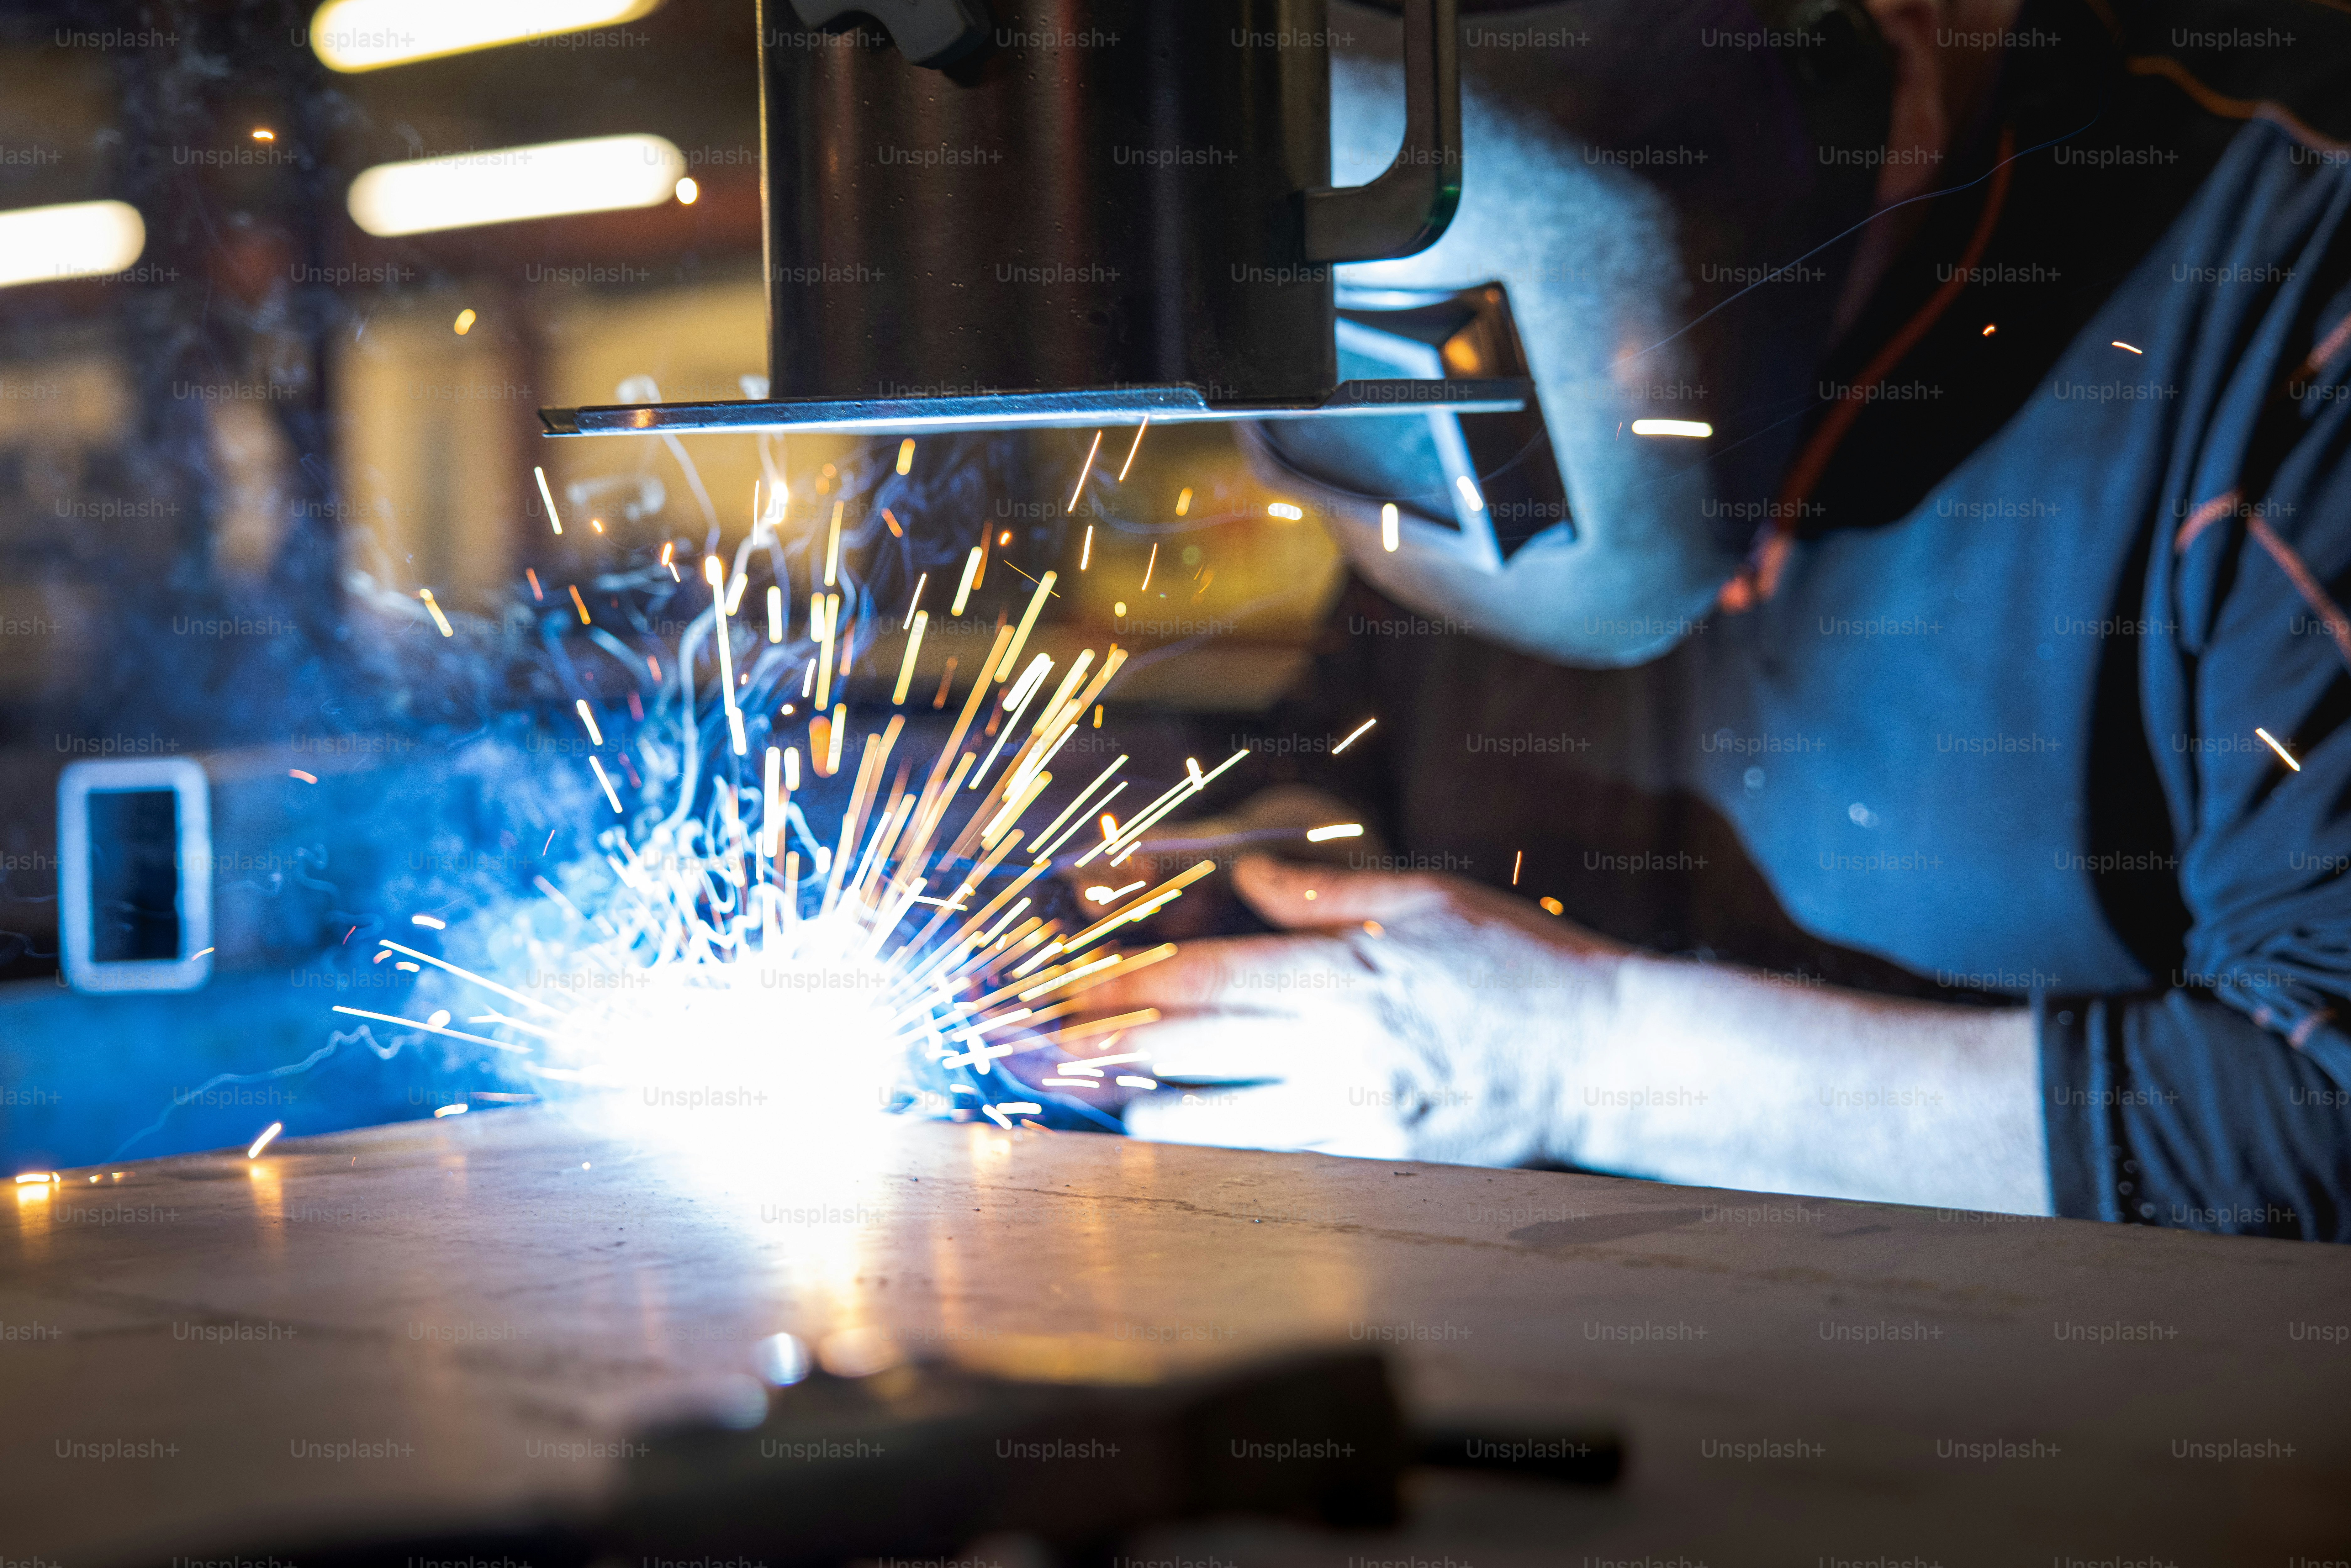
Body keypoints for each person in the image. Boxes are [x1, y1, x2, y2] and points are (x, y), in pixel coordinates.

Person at [1071, 0, 2351, 1240]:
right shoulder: (1422, 203)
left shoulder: (2284, 293)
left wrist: (1578, 1063)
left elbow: (2325, 1112)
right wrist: (1238, 875)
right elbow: (1358, 762)